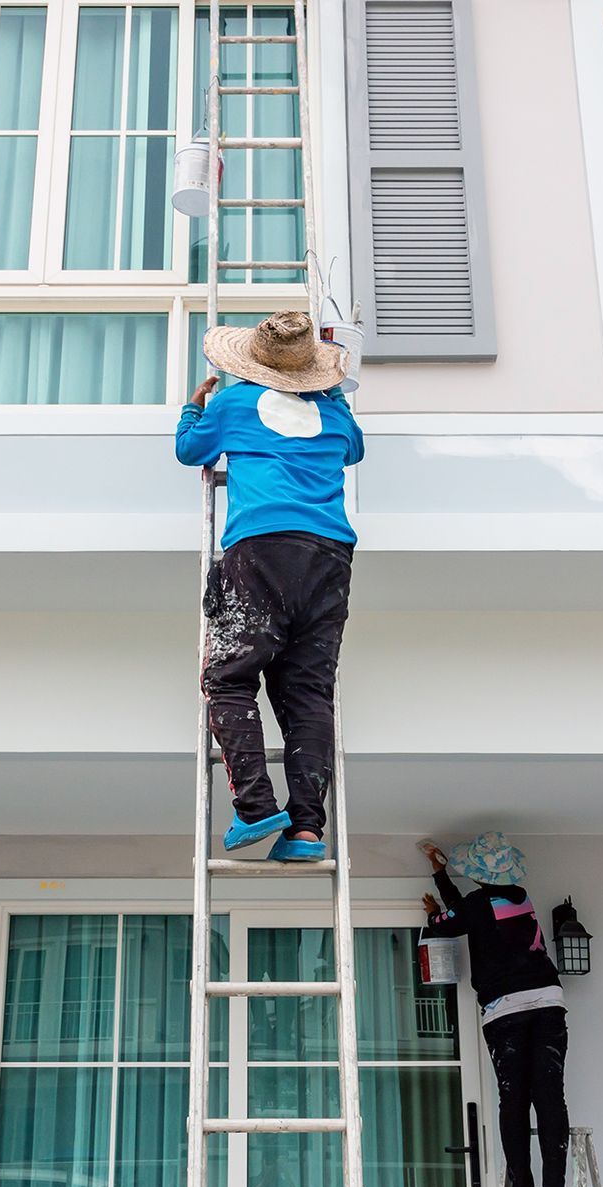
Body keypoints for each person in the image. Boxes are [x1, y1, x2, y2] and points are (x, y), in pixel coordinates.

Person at [176, 311, 363, 863]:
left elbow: (191, 451)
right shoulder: (332, 414)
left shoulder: (234, 403)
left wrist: (194, 406)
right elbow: (354, 449)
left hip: (261, 551)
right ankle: (305, 829)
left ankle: (256, 808)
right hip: (330, 558)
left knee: (229, 679)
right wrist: (336, 395)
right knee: (308, 693)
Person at [420, 833, 570, 1187]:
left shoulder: (476, 904)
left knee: (513, 1097)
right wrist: (442, 875)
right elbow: (474, 917)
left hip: (506, 1011)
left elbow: (446, 923)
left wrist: (432, 905)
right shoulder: (521, 898)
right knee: (549, 1095)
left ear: (479, 875)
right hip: (548, 1002)